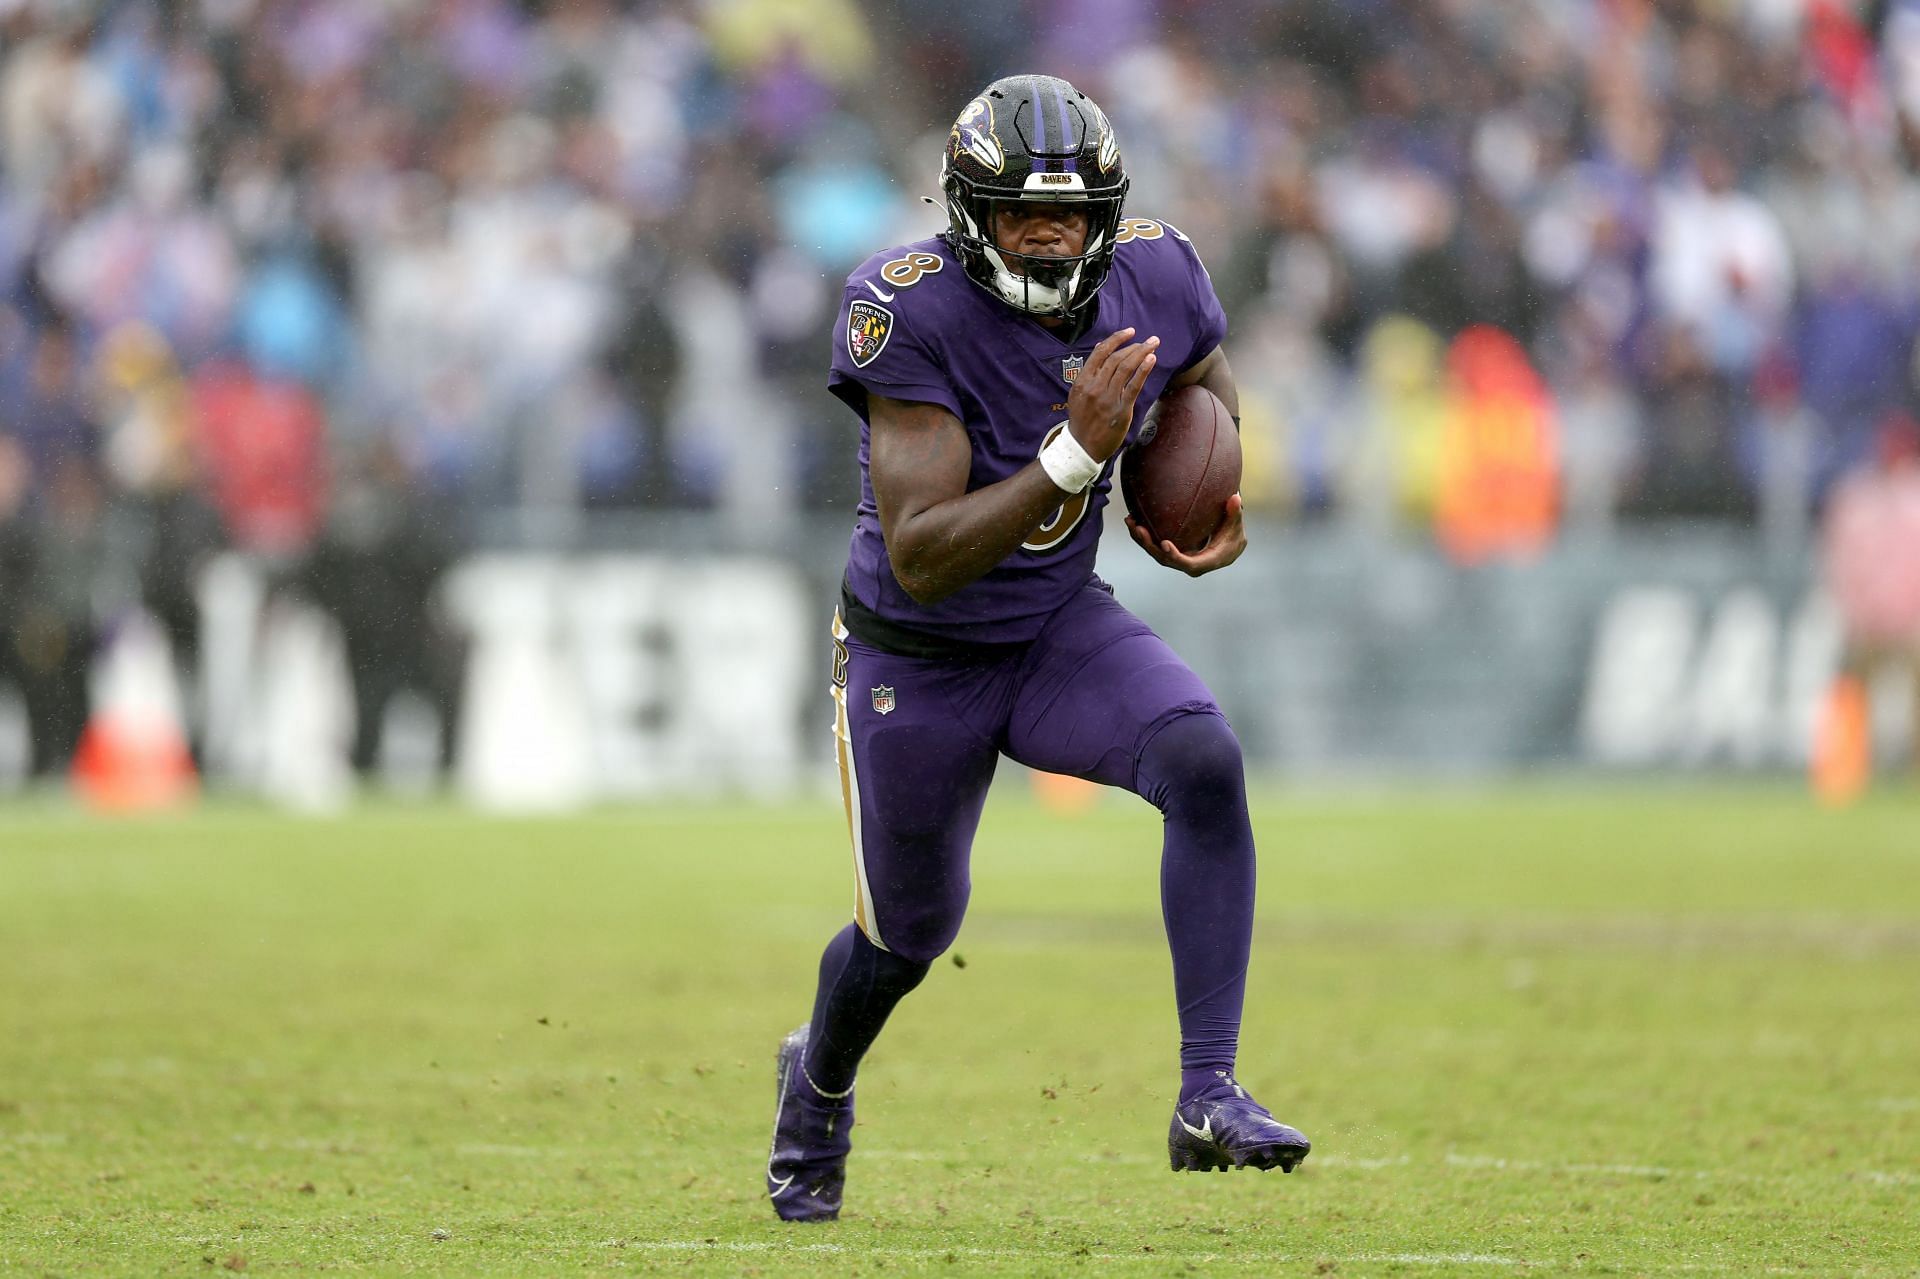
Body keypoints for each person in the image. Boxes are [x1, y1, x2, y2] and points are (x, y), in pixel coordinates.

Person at [766, 74, 1309, 1223]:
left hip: (1057, 624)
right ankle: (816, 1086)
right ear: (971, 214)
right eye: (1024, 213)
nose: (1053, 233)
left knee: (1205, 760)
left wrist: (1197, 481)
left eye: (1071, 213)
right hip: (918, 656)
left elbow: (1202, 371)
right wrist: (1075, 457)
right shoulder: (903, 304)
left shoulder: (1158, 267)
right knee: (909, 934)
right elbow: (922, 551)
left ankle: (1207, 1090)